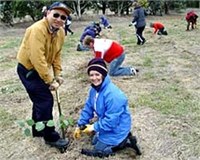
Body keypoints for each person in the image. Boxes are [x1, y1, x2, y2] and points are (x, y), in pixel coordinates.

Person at [16, 2, 71, 150]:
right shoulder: (36, 30)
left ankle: (37, 130)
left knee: (39, 100)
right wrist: (50, 80)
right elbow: (37, 59)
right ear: (48, 13)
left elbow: (57, 55)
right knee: (45, 99)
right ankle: (50, 137)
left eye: (63, 17)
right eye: (56, 15)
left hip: (40, 68)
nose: (59, 19)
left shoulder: (60, 32)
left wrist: (58, 74)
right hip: (28, 70)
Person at [73, 58, 142, 158]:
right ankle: (113, 139)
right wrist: (80, 125)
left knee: (99, 150)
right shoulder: (94, 89)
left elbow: (112, 121)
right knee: (94, 141)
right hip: (107, 125)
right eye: (91, 75)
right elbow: (88, 108)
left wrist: (94, 127)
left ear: (103, 75)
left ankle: (124, 142)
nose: (94, 78)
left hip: (117, 127)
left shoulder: (113, 95)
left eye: (97, 74)